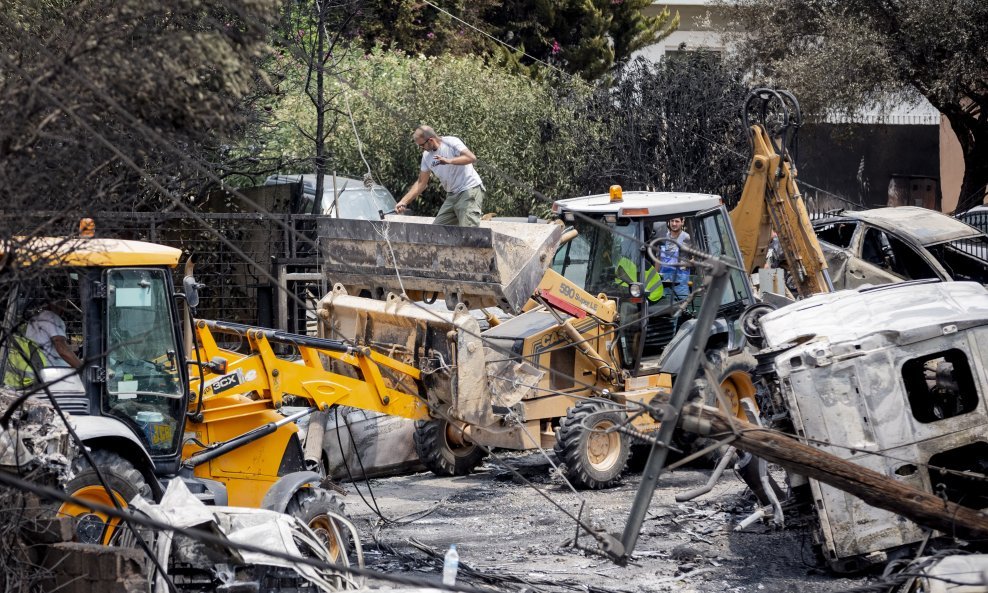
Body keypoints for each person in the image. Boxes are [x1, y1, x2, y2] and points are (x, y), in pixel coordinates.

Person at [395, 125, 486, 227]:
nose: (421, 149)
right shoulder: (426, 156)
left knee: (468, 232)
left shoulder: (451, 142)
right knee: (436, 231)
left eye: (421, 145)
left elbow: (471, 158)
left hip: (469, 190)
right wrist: (404, 201)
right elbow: (421, 183)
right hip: (452, 195)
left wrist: (448, 161)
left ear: (430, 140)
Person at [23, 299, 83, 369]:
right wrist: (82, 367)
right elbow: (62, 349)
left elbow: (49, 346)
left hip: (37, 368)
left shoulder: (34, 319)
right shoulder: (52, 318)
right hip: (53, 370)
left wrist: (76, 348)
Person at [657, 217, 692, 299]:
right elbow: (658, 259)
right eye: (672, 221)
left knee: (681, 308)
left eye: (677, 221)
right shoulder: (663, 238)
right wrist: (656, 276)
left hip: (680, 282)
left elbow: (696, 258)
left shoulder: (687, 238)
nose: (674, 224)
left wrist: (684, 265)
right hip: (664, 281)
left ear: (682, 222)